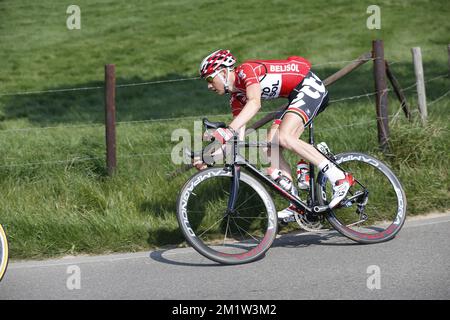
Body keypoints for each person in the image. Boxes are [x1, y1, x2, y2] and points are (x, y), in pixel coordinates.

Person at [194, 49, 354, 221]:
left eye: (210, 79)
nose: (209, 86)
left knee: (285, 137)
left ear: (224, 72)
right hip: (295, 96)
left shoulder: (246, 71)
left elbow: (255, 103)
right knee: (269, 148)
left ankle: (340, 177)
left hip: (308, 86)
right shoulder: (236, 98)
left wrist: (227, 130)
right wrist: (209, 158)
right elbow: (236, 140)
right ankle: (297, 205)